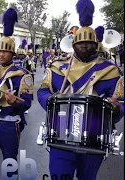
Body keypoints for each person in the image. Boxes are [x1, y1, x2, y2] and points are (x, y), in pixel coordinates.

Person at [37, 0, 124, 179]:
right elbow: (43, 91)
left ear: (95, 44)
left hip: (94, 138)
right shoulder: (57, 66)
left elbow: (121, 101)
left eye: (88, 43)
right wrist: (49, 99)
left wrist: (116, 107)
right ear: (73, 44)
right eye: (80, 42)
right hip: (60, 133)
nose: (83, 46)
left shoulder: (111, 70)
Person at [0, 8, 33, 179]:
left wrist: (15, 103)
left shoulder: (23, 74)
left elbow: (27, 103)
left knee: (9, 166)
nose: (1, 54)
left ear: (12, 53)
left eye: (5, 51)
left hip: (10, 126)